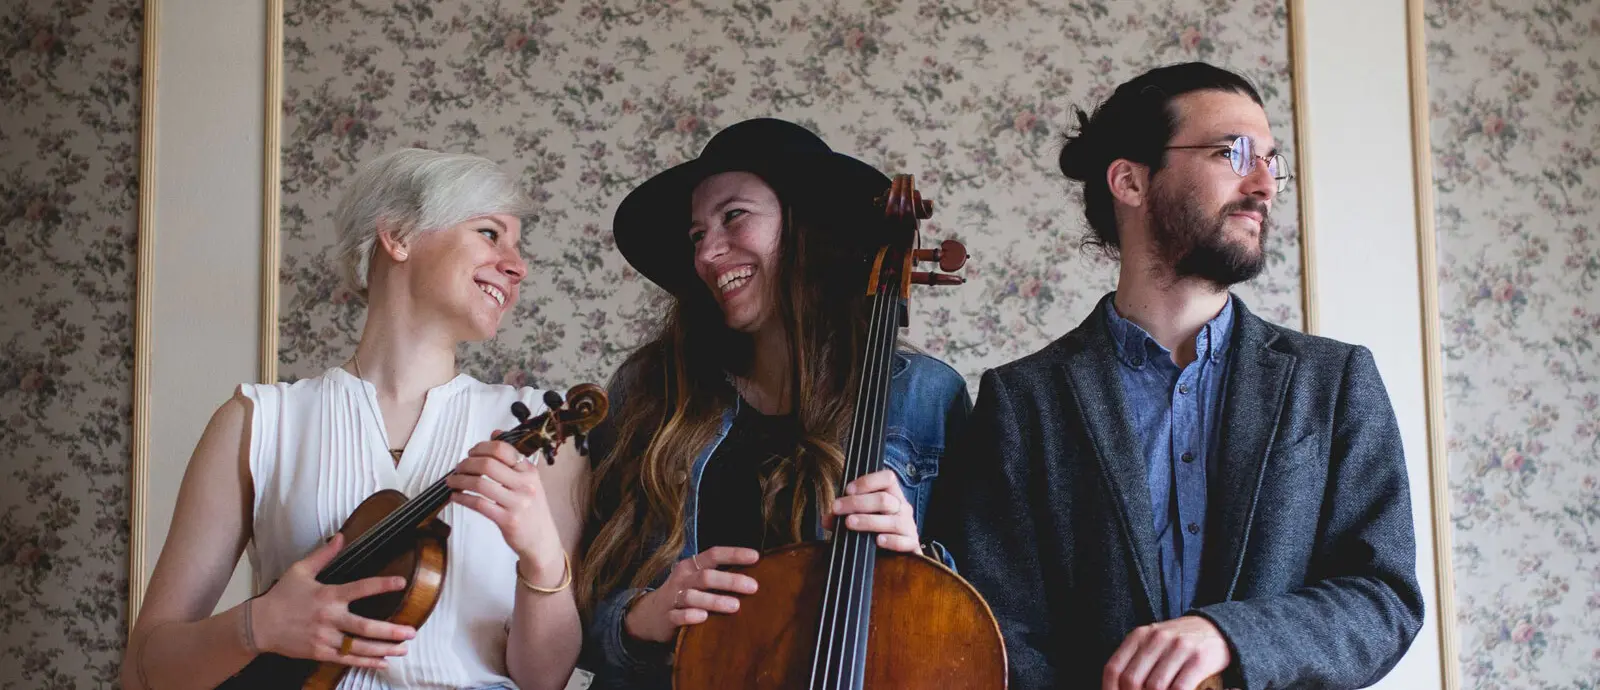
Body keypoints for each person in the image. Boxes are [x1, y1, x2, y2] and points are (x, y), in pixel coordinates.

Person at [927, 62, 1424, 690]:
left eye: (1270, 162)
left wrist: (1229, 637)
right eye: (1232, 153)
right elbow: (999, 626)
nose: (1264, 185)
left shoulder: (1336, 380)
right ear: (1131, 181)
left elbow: (1383, 596)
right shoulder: (1022, 401)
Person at [121, 149, 588, 690]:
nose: (517, 265)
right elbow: (143, 670)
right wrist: (257, 626)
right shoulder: (258, 423)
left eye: (518, 246)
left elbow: (545, 680)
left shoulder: (544, 431)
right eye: (490, 233)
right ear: (399, 236)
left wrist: (541, 556)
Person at [575, 118, 971, 688]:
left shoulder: (926, 396)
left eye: (734, 216)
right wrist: (640, 619)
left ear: (806, 228)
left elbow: (987, 616)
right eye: (696, 235)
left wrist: (916, 561)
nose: (708, 252)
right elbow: (573, 605)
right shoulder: (650, 390)